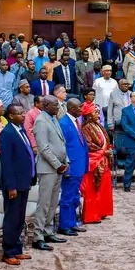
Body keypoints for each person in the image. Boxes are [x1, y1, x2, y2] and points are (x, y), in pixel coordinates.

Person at [0, 104, 36, 266]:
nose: (24, 115)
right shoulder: (6, 134)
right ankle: (8, 251)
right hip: (13, 184)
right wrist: (11, 186)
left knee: (20, 218)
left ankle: (17, 248)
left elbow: (27, 155)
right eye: (20, 113)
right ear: (11, 116)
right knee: (12, 218)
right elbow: (7, 163)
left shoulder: (21, 130)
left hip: (24, 181)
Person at [32, 97, 68, 249]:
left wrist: (65, 162)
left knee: (53, 202)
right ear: (46, 105)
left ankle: (48, 230)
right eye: (55, 105)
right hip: (48, 168)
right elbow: (43, 147)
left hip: (58, 167)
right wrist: (57, 164)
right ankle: (38, 235)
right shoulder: (41, 121)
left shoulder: (53, 119)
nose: (58, 108)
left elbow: (61, 143)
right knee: (44, 203)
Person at [58, 99, 89, 236]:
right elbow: (62, 147)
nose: (81, 109)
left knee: (75, 196)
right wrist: (66, 166)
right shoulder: (64, 123)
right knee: (68, 196)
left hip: (80, 164)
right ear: (70, 108)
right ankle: (64, 225)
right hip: (71, 166)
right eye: (79, 107)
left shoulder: (76, 121)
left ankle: (72, 222)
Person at [79, 102, 113, 223]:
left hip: (103, 161)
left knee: (104, 188)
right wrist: (103, 152)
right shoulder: (85, 128)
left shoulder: (97, 125)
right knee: (93, 190)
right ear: (88, 115)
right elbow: (89, 146)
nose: (98, 114)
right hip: (95, 161)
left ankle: (102, 211)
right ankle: (92, 215)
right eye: (95, 112)